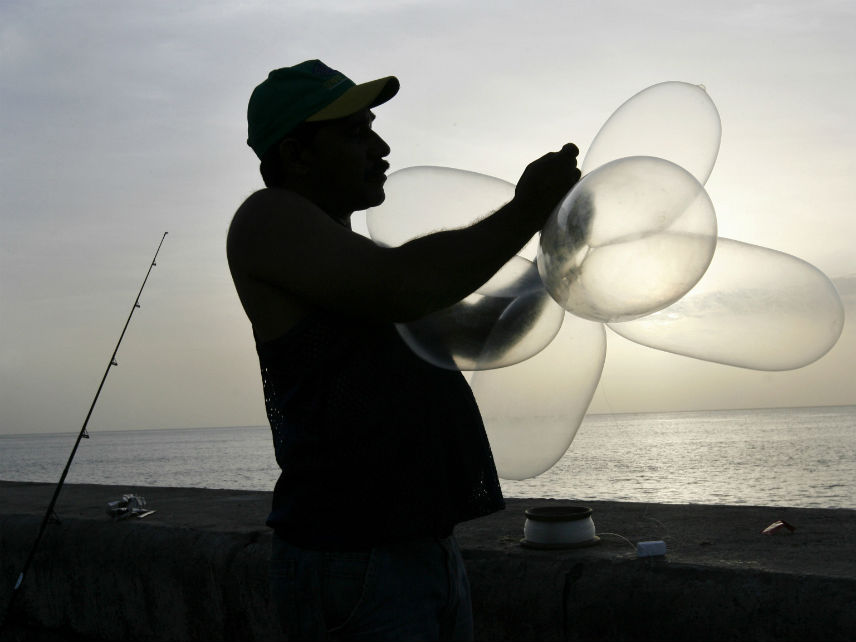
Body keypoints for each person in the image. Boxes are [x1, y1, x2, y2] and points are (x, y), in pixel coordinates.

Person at [227, 60, 580, 641]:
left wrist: (556, 257)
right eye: (356, 133)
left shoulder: (353, 263)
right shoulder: (265, 219)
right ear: (295, 155)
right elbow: (402, 284)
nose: (381, 146)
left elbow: (479, 332)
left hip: (424, 550)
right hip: (349, 559)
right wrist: (526, 210)